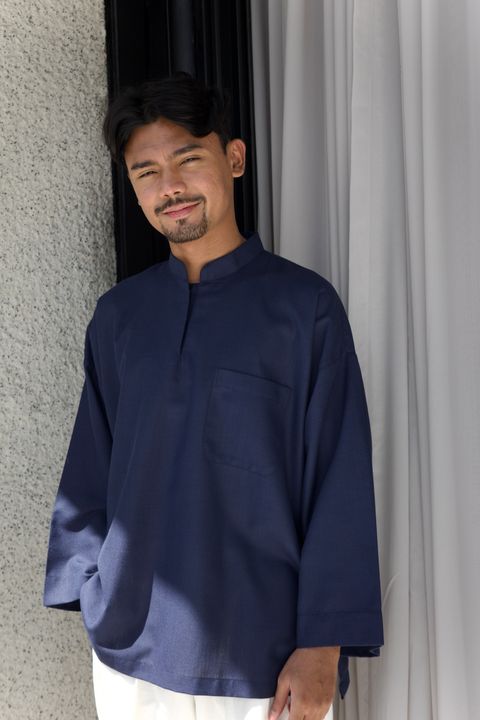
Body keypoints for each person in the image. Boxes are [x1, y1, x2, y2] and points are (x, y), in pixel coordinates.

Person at [43, 73, 384, 720]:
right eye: (146, 172)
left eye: (188, 159)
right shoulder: (120, 316)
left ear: (234, 158)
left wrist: (323, 644)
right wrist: (92, 588)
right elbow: (91, 468)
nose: (169, 186)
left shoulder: (303, 308)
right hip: (128, 658)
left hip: (263, 660)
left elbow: (339, 482)